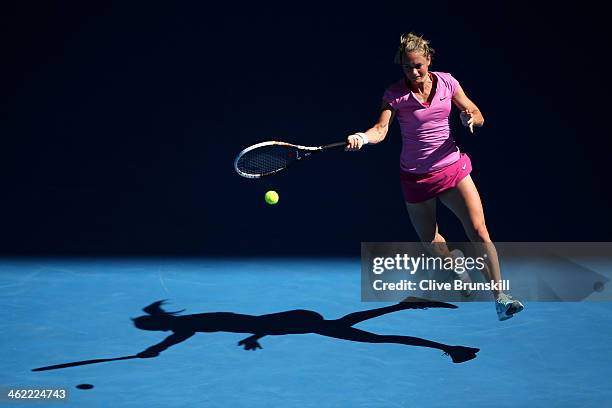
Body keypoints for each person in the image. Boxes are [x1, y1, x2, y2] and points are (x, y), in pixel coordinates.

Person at [345, 32, 523, 321]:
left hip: (452, 167)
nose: (413, 72)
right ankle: (456, 263)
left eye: (418, 65)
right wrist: (361, 138)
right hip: (416, 177)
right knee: (431, 241)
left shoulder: (448, 82)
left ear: (429, 59)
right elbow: (380, 129)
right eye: (406, 67)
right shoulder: (394, 95)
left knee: (479, 231)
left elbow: (476, 112)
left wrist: (470, 118)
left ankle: (500, 297)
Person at [133, 299, 479, 363]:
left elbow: (169, 340)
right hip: (289, 321)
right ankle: (404, 306)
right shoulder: (184, 323)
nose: (155, 330)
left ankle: (449, 347)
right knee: (347, 326)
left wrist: (155, 351)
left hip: (291, 322)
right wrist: (256, 336)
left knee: (377, 338)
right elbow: (167, 332)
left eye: (152, 328)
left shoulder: (184, 326)